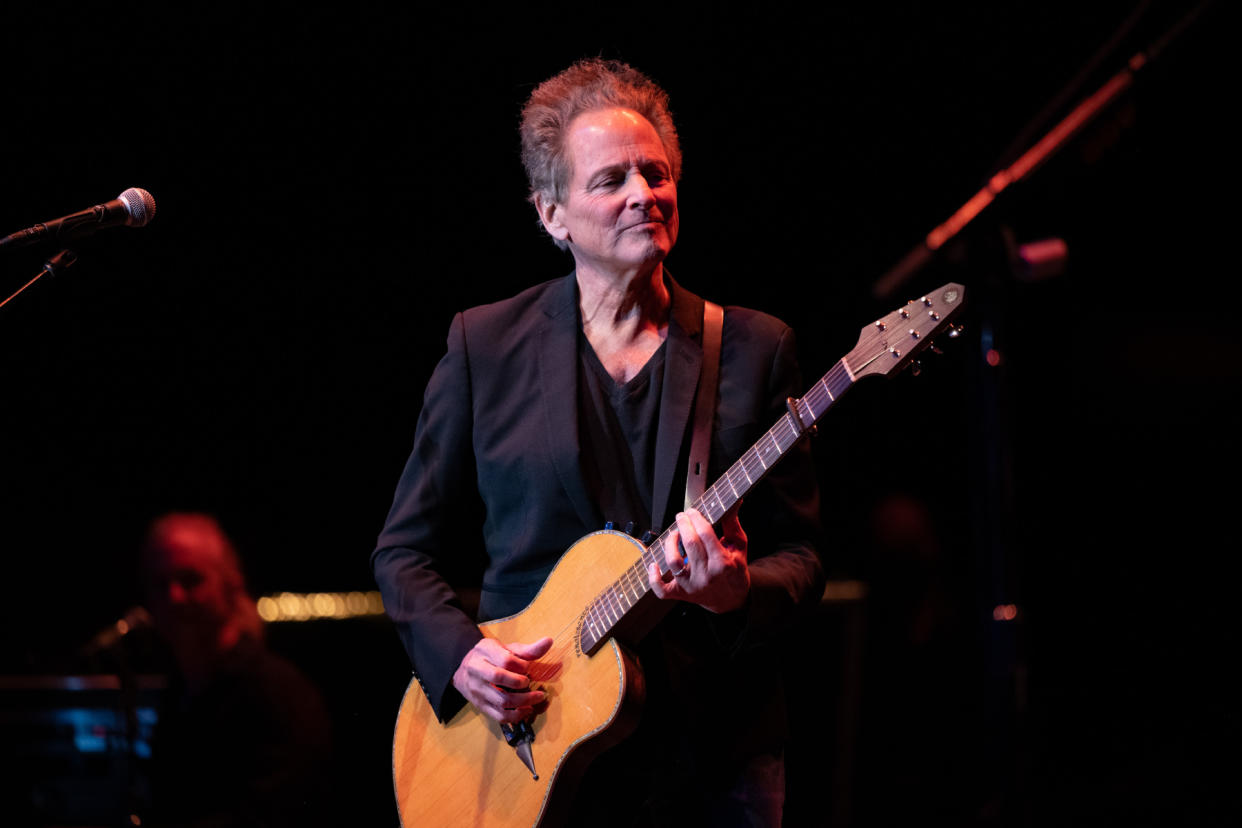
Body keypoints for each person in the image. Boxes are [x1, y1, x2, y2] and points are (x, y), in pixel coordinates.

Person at [372, 58, 823, 827]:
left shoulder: (751, 347)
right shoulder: (485, 345)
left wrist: (736, 590)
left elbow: (803, 558)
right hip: (532, 746)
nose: (643, 195)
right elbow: (404, 553)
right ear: (552, 215)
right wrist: (461, 658)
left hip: (712, 755)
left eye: (656, 174)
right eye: (611, 180)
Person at [139, 512, 333, 828]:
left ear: (231, 585)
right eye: (160, 584)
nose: (173, 597)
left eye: (190, 579)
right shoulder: (180, 692)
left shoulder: (279, 695)